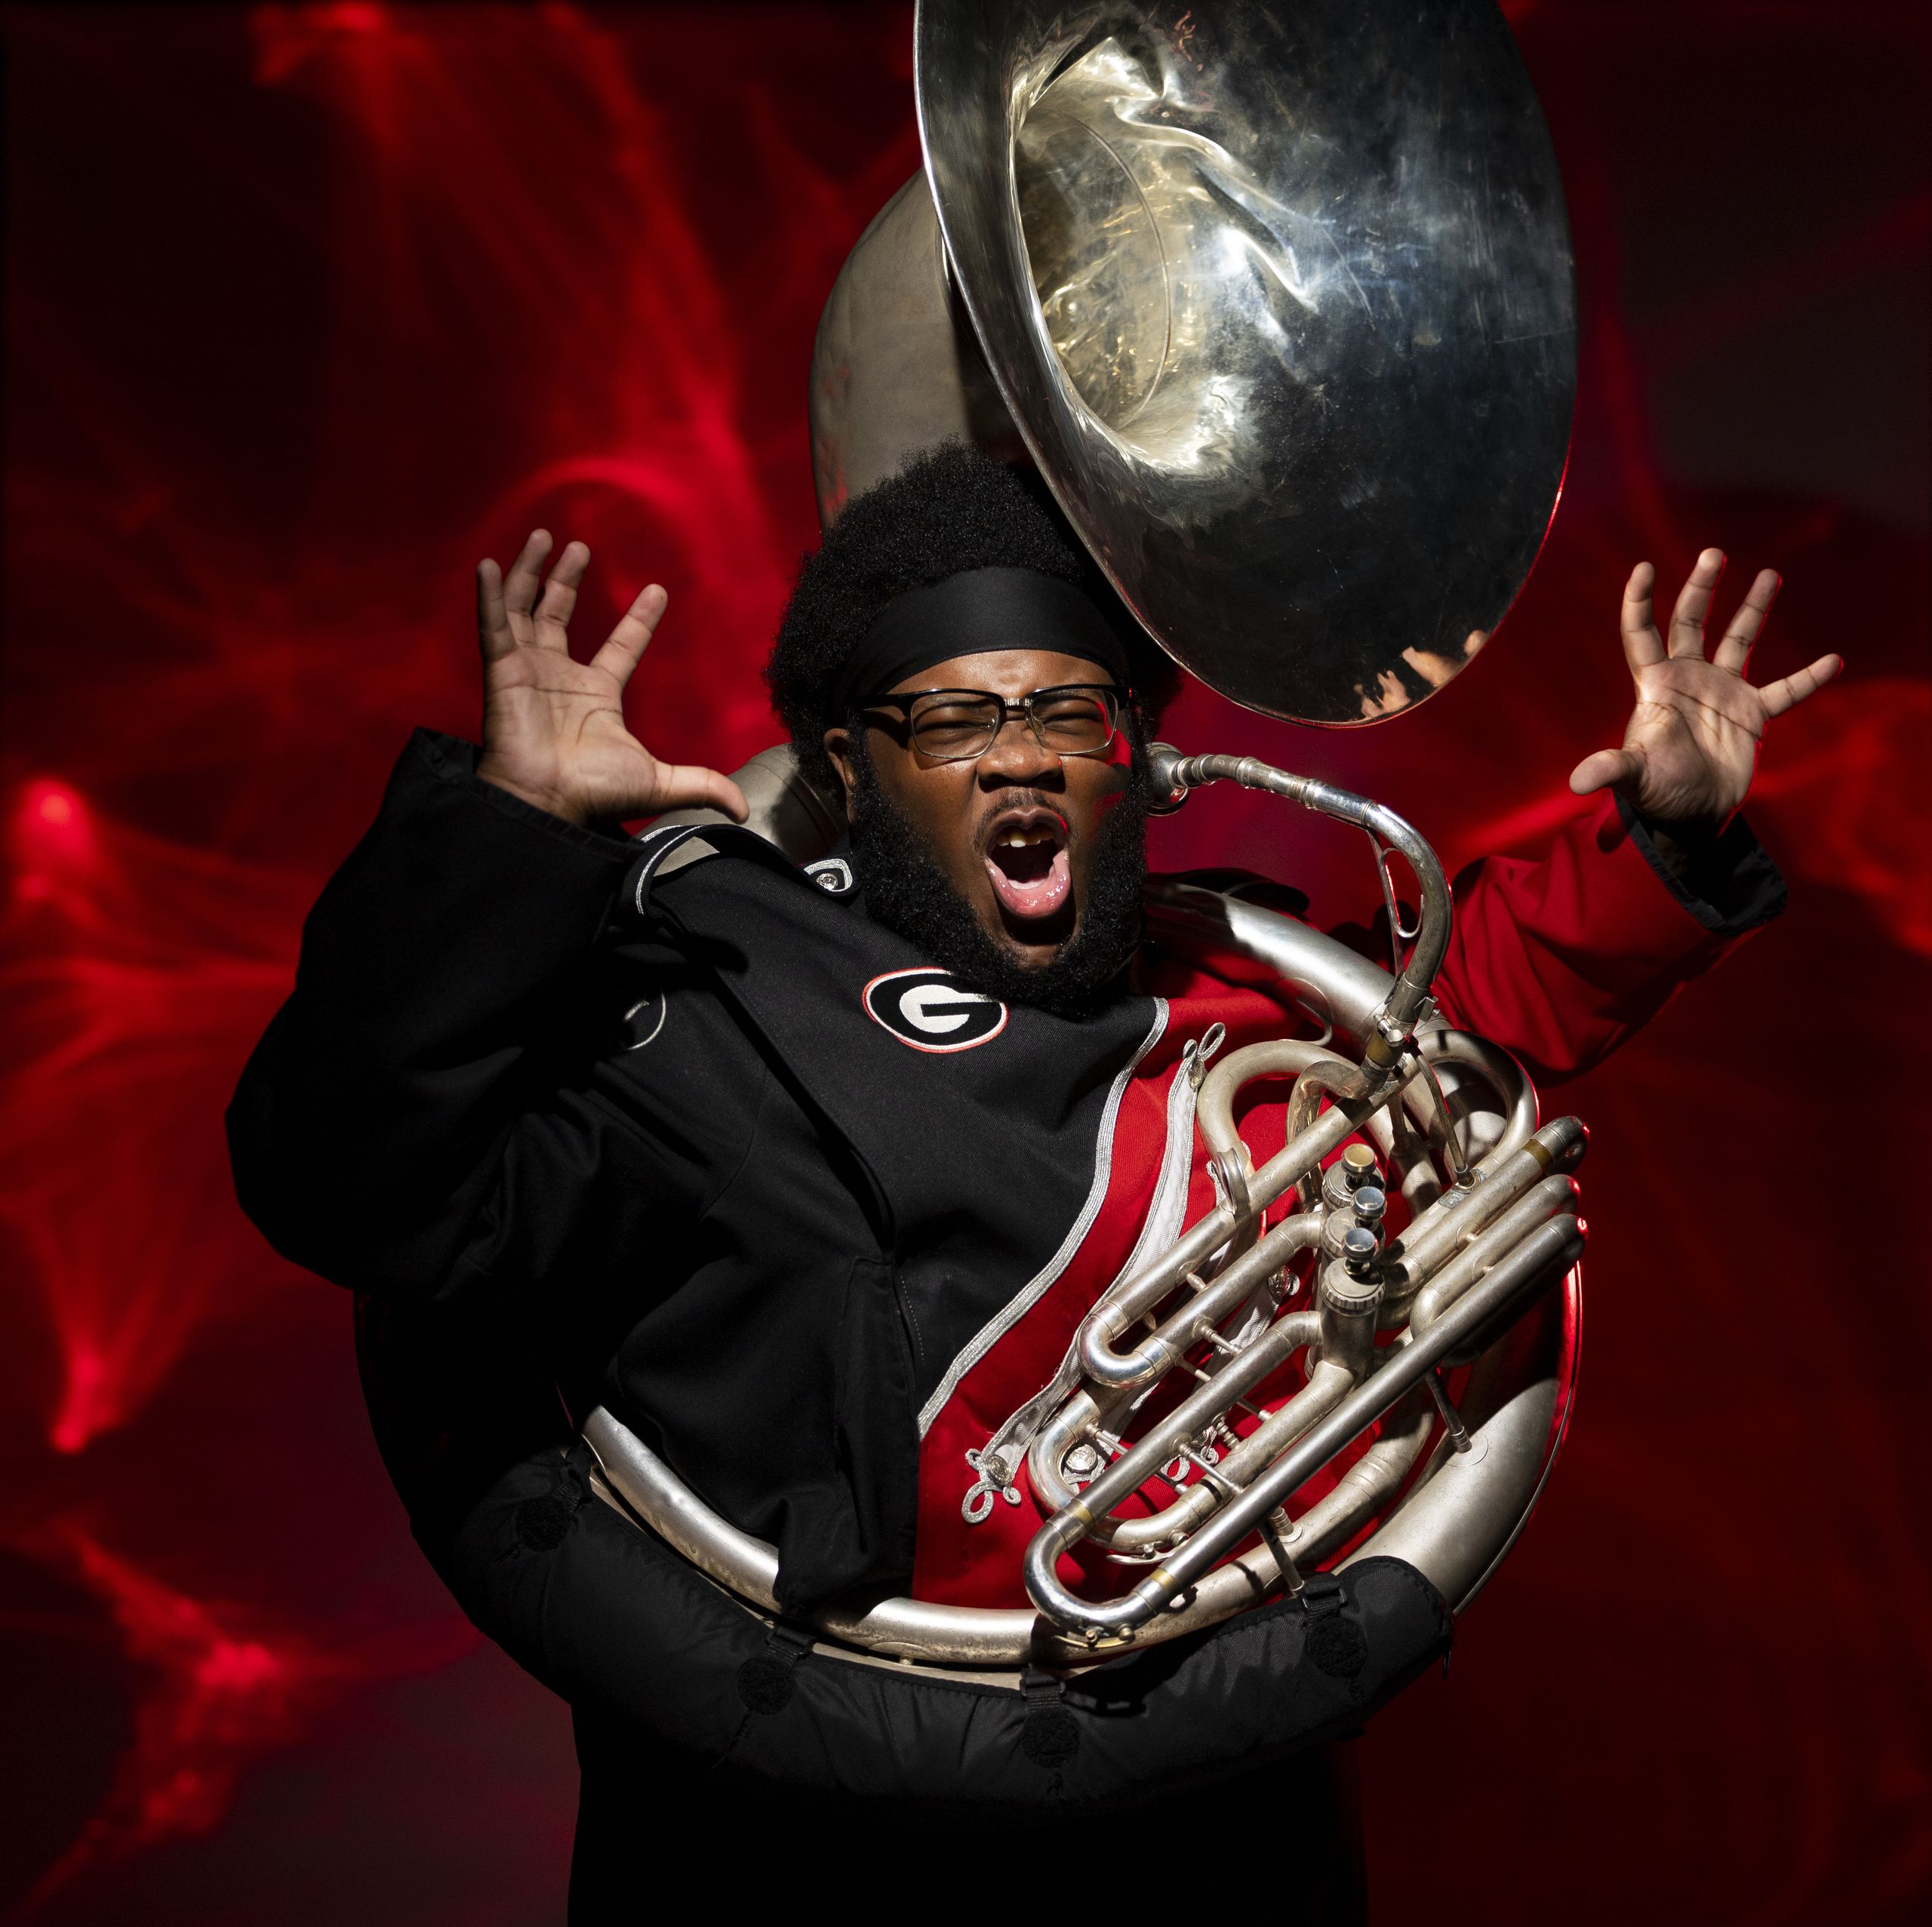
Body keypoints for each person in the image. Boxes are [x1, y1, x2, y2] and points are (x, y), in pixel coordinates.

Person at [228, 444, 1838, 1917]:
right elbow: (355, 1179)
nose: (1020, 757)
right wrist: (507, 843)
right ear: (851, 771)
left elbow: (1477, 1002)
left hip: (1217, 1827)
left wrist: (1668, 836)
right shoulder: (710, 1016)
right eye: (952, 716)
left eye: (1068, 710)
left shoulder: (1234, 980)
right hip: (790, 1855)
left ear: (1127, 758)